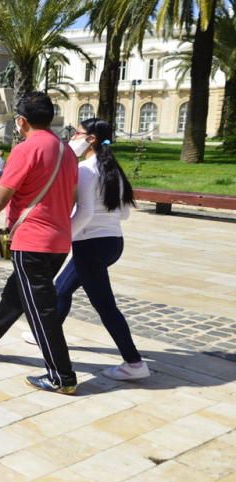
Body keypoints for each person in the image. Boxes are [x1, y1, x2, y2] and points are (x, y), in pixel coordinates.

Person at [0, 91, 79, 394]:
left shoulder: (27, 150)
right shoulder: (67, 151)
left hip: (32, 242)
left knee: (41, 310)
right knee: (16, 293)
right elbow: (73, 196)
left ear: (22, 121)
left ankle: (61, 376)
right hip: (58, 241)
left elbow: (1, 196)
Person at [24, 118, 148, 380]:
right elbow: (124, 214)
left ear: (91, 139)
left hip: (90, 245)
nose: (73, 138)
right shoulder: (114, 169)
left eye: (77, 133)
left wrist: (63, 236)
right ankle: (46, 336)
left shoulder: (86, 170)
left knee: (105, 305)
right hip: (113, 243)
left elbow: (86, 212)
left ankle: (135, 363)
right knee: (62, 289)